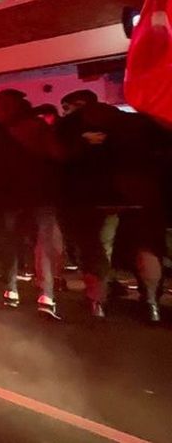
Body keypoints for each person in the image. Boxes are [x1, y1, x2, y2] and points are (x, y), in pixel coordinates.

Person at [58, 90, 166, 322]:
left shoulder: (71, 126)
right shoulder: (136, 123)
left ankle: (97, 301)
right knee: (145, 246)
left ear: (78, 104)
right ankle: (151, 303)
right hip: (138, 194)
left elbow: (61, 160)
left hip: (91, 197)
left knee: (95, 248)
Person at [0, 90, 65, 319]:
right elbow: (58, 155)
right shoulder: (36, 126)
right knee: (42, 243)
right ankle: (46, 296)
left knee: (9, 242)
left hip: (5, 197)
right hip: (39, 193)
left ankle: (11, 290)